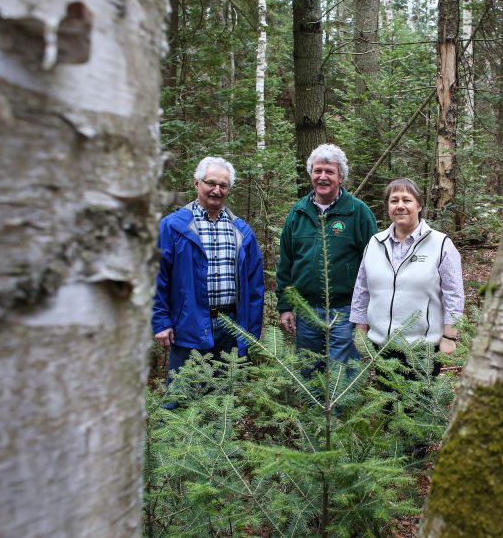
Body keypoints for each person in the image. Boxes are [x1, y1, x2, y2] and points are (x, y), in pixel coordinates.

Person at [152, 156, 264, 404]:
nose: (216, 190)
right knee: (180, 400)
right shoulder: (173, 227)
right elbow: (157, 277)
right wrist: (160, 321)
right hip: (187, 326)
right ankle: (174, 444)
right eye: (210, 183)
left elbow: (255, 287)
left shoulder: (242, 231)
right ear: (196, 183)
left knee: (222, 404)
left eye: (223, 186)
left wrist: (251, 332)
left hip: (230, 327)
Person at [275, 143, 378, 368]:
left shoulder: (358, 212)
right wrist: (285, 307)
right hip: (306, 312)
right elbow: (286, 264)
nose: (322, 177)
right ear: (311, 175)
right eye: (317, 171)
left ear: (341, 177)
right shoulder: (297, 213)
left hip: (346, 312)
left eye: (329, 172)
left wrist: (367, 313)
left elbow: (374, 265)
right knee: (310, 374)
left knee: (342, 375)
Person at [350, 177, 464, 376]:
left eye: (407, 200)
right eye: (394, 201)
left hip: (424, 349)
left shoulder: (441, 244)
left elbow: (454, 295)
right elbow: (362, 290)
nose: (400, 206)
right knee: (387, 405)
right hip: (382, 346)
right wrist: (360, 329)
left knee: (419, 406)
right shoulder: (375, 243)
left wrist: (450, 336)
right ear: (388, 206)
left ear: (419, 205)